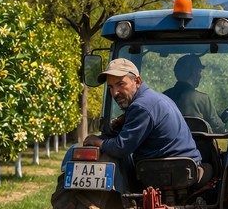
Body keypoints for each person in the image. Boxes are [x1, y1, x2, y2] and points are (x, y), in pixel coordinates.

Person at [83, 58, 201, 190]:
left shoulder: (141, 107)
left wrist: (96, 141)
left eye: (120, 84)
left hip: (168, 171)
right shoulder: (157, 98)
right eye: (110, 87)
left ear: (137, 81)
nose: (114, 93)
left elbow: (121, 148)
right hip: (187, 166)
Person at [163, 54, 224, 133]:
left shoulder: (163, 97)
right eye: (199, 71)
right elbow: (218, 128)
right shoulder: (203, 99)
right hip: (198, 145)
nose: (200, 76)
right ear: (194, 72)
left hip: (170, 145)